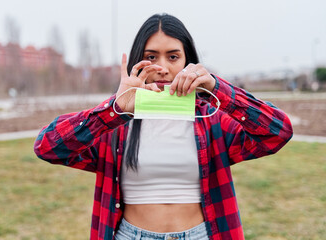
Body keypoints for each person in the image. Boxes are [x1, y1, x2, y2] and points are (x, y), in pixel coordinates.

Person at [34, 13, 293, 240]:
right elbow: (48, 147)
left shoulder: (211, 119)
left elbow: (277, 132)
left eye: (173, 56)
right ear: (138, 61)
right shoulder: (115, 125)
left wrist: (217, 87)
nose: (163, 68)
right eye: (151, 57)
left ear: (188, 61)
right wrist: (115, 109)